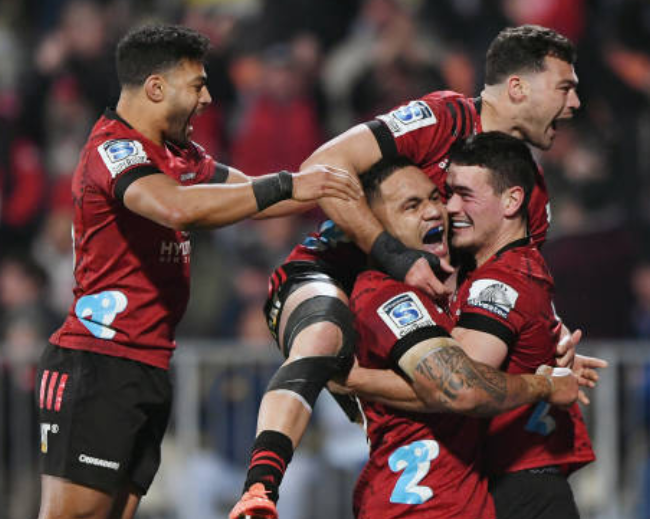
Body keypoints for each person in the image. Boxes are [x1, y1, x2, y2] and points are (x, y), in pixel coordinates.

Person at [232, 25, 602, 518]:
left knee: (452, 402)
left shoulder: (526, 189)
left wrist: (547, 339)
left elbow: (510, 285)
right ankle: (261, 489)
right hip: (331, 274)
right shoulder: (443, 116)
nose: (575, 102)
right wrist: (394, 255)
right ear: (518, 88)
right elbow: (323, 168)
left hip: (413, 313)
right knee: (323, 339)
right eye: (565, 87)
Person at [35, 24, 361, 519]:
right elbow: (177, 208)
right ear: (156, 87)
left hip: (145, 364)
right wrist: (295, 184)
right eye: (197, 85)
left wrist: (339, 190)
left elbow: (251, 197)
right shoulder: (114, 149)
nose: (207, 98)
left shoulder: (180, 155)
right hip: (99, 362)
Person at [345, 133, 597, 519]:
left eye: (463, 195)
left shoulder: (499, 282)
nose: (448, 208)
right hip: (498, 485)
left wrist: (351, 378)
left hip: (518, 490)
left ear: (512, 201)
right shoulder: (488, 276)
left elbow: (457, 387)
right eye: (445, 194)